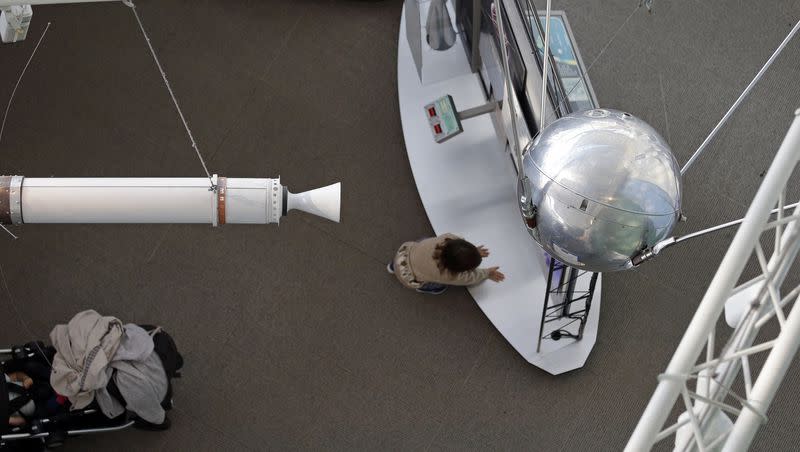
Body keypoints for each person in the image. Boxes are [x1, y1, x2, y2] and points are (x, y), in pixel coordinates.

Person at [388, 233, 505, 294]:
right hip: (407, 277)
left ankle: (393, 266)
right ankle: (425, 288)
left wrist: (473, 251)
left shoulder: (447, 238)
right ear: (458, 271)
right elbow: (470, 278)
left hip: (403, 254)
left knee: (423, 241)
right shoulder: (448, 275)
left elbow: (461, 243)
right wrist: (487, 273)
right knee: (440, 284)